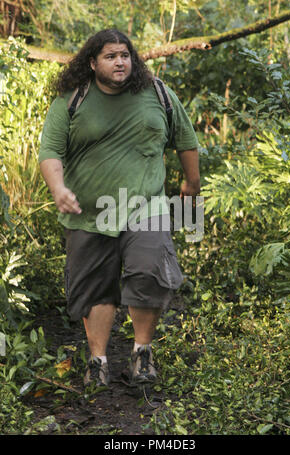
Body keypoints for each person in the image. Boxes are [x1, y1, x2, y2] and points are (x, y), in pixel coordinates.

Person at [39, 29, 200, 388]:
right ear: (92, 62)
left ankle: (142, 354)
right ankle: (97, 360)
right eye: (110, 56)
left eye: (125, 55)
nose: (120, 62)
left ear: (134, 59)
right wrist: (59, 188)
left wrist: (191, 184)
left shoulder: (157, 94)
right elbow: (50, 151)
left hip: (147, 205)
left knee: (149, 271)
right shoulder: (72, 100)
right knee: (95, 287)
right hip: (90, 212)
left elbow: (186, 139)